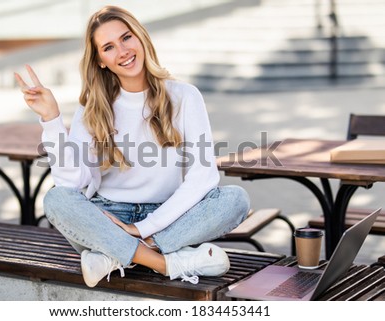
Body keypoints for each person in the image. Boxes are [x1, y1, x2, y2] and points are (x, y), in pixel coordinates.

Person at [14, 5, 250, 287]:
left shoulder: (185, 97)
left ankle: (113, 256)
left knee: (236, 200)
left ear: (140, 37)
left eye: (126, 38)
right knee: (56, 199)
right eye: (109, 47)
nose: (123, 51)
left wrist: (142, 229)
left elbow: (204, 177)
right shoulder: (91, 108)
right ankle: (165, 262)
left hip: (168, 214)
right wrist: (51, 119)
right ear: (100, 60)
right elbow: (71, 182)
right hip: (108, 217)